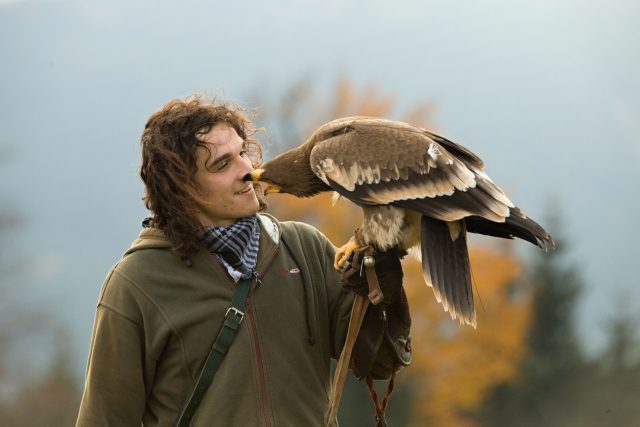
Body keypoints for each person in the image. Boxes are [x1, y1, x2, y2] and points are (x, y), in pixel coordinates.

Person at [75, 95, 411, 426]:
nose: (248, 170)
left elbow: (380, 362)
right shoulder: (137, 282)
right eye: (222, 164)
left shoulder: (304, 248)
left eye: (242, 153)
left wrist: (382, 284)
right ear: (182, 189)